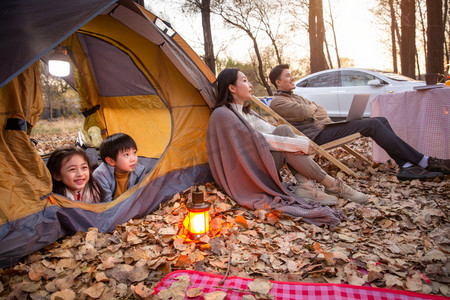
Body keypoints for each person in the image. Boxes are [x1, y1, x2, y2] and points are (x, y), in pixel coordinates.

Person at [207, 68, 368, 221]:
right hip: (246, 175)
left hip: (258, 164)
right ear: (232, 88)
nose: (250, 85)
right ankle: (331, 184)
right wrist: (296, 144)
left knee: (284, 130)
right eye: (245, 81)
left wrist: (301, 140)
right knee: (287, 144)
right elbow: (258, 140)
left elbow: (272, 131)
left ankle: (307, 187)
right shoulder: (223, 114)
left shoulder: (245, 111)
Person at [268, 64, 450, 180]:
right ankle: (423, 161)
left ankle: (408, 165)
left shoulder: (296, 96)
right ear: (278, 82)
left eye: (292, 75)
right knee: (374, 124)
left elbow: (319, 110)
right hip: (317, 136)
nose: (292, 78)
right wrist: (313, 109)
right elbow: (306, 111)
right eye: (288, 76)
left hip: (325, 128)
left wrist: (314, 110)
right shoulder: (278, 102)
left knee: (380, 120)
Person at [93, 133, 147, 202]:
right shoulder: (101, 175)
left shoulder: (139, 171)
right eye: (126, 155)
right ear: (111, 161)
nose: (133, 159)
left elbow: (140, 196)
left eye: (134, 152)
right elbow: (106, 203)